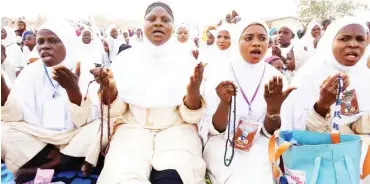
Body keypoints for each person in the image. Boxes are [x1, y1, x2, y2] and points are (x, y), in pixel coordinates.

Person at [94, 2, 207, 183]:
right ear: (143, 24)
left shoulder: (186, 61)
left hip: (177, 128)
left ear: (173, 27)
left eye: (165, 20)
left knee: (175, 176)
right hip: (132, 127)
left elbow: (191, 118)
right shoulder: (125, 59)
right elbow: (115, 111)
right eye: (151, 19)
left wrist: (193, 93)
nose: (158, 23)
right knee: (123, 175)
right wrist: (110, 89)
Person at [1, 18, 105, 182]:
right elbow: (12, 116)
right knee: (2, 129)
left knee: (106, 126)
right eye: (40, 41)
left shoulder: (85, 70)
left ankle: (55, 162)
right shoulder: (30, 73)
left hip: (75, 137)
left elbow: (91, 118)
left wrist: (73, 91)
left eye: (54, 40)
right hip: (39, 139)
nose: (45, 46)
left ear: (68, 43)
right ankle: (65, 160)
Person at [202, 19, 294, 184]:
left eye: (262, 38)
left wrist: (273, 109)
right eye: (249, 38)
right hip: (223, 142)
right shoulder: (220, 73)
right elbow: (215, 129)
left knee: (264, 171)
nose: (256, 43)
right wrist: (224, 104)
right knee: (235, 174)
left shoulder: (276, 78)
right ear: (238, 41)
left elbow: (272, 131)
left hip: (261, 141)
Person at [281, 16, 370, 133]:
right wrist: (322, 106)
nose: (354, 44)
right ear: (330, 41)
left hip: (356, 147)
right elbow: (296, 129)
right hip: (319, 147)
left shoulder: (364, 74)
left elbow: (357, 124)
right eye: (344, 39)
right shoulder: (310, 75)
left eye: (360, 39)